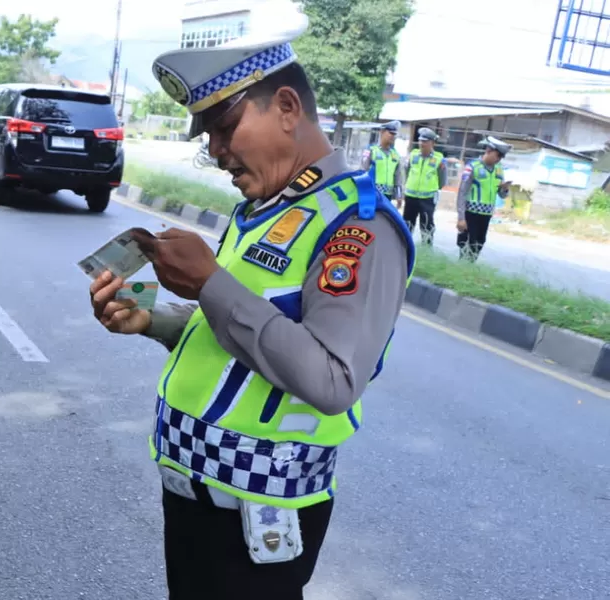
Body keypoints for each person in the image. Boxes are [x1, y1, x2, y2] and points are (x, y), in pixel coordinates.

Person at [89, 3, 415, 598]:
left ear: (287, 108)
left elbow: (333, 378)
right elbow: (247, 327)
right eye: (206, 135)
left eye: (223, 127)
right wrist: (155, 321)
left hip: (258, 515)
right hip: (197, 496)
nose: (215, 151)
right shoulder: (268, 209)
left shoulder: (356, 228)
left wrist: (210, 281)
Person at [456, 136, 511, 261]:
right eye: (497, 156)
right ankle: (462, 268)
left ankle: (469, 267)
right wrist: (461, 218)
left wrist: (505, 188)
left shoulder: (499, 170)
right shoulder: (473, 167)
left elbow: (502, 195)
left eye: (501, 157)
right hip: (471, 214)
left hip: (486, 215)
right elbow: (462, 192)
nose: (498, 160)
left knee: (479, 244)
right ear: (489, 151)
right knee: (466, 244)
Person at [401, 127, 448, 246]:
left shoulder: (439, 158)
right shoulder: (413, 154)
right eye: (420, 141)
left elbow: (442, 179)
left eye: (425, 141)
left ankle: (426, 248)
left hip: (427, 199)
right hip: (411, 196)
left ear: (432, 143)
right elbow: (406, 172)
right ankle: (404, 247)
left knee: (427, 225)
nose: (422, 144)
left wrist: (434, 188)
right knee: (406, 224)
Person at [359, 120, 404, 208]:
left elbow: (398, 177)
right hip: (372, 193)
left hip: (388, 196)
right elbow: (362, 170)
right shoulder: (371, 150)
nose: (393, 136)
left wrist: (399, 195)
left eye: (394, 134)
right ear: (382, 132)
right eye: (390, 133)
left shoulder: (395, 155)